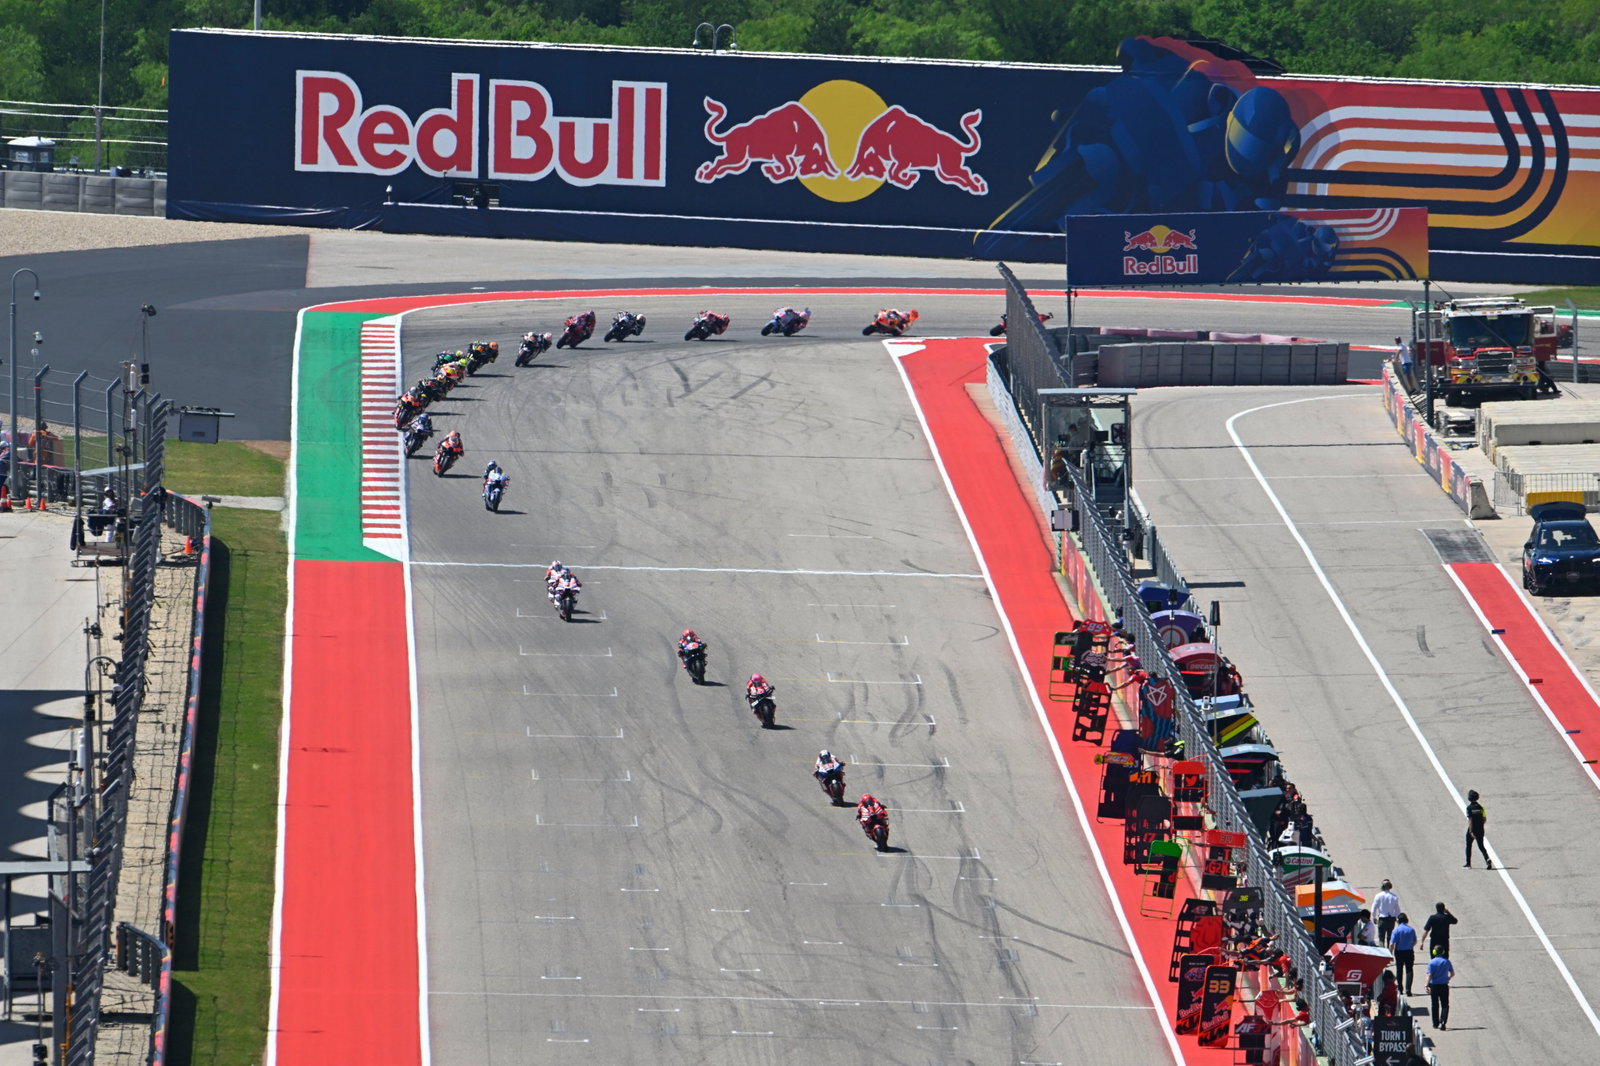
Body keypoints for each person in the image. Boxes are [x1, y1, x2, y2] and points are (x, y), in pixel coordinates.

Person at [1390, 913, 1419, 995]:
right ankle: (1408, 989)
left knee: (1399, 970)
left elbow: (1392, 944)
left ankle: (1400, 989)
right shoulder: (1411, 930)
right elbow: (1415, 941)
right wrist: (1410, 945)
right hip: (1409, 951)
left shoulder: (1396, 930)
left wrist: (1390, 954)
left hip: (1399, 952)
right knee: (1409, 970)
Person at [1427, 947, 1455, 1030]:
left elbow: (1429, 975)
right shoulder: (1446, 961)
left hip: (1434, 985)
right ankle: (1443, 1021)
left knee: (1434, 1004)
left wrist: (1426, 985)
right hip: (1444, 985)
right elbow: (1452, 973)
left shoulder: (1431, 962)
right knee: (1445, 1004)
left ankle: (1435, 1023)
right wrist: (1448, 978)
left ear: (1434, 952)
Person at [1465, 789, 1491, 868]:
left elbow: (1470, 820)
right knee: (1481, 846)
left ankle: (1468, 864)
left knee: (1468, 845)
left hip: (1472, 829)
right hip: (1480, 829)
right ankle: (1487, 859)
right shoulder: (1481, 807)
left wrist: (1471, 831)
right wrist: (1480, 826)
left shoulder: (1469, 808)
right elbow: (1484, 819)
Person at [1372, 879, 1401, 945]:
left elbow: (1374, 907)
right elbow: (1397, 910)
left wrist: (1373, 917)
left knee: (1381, 937)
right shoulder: (1394, 896)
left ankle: (1382, 953)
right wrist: (1398, 919)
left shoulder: (1378, 895)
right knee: (1390, 937)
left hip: (1382, 919)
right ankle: (1389, 951)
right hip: (1391, 920)